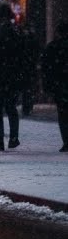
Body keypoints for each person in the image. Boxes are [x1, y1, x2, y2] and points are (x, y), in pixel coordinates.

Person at [0, 5, 25, 151]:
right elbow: (21, 57)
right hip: (11, 77)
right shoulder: (15, 33)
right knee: (11, 108)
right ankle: (13, 138)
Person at [41, 19, 68, 152]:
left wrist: (47, 86)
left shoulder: (53, 47)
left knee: (63, 114)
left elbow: (46, 68)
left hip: (60, 85)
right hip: (62, 83)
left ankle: (66, 140)